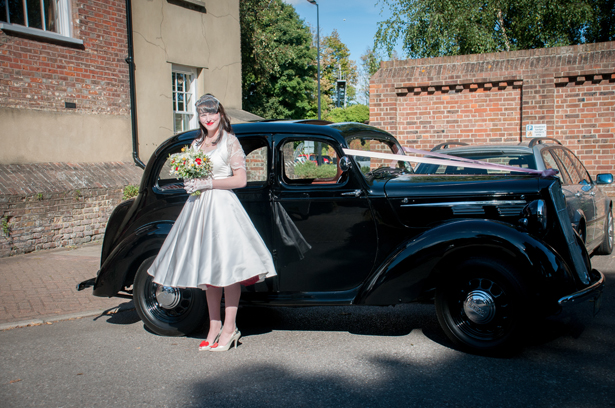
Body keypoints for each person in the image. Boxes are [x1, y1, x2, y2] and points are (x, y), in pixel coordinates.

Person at [147, 94, 276, 352]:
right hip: (199, 208)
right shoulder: (196, 144)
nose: (208, 118)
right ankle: (213, 326)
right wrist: (191, 183)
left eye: (212, 113)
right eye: (203, 114)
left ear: (220, 113)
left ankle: (230, 328)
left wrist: (209, 183)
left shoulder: (230, 142)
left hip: (223, 208)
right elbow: (193, 175)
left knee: (229, 269)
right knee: (208, 270)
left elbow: (240, 180)